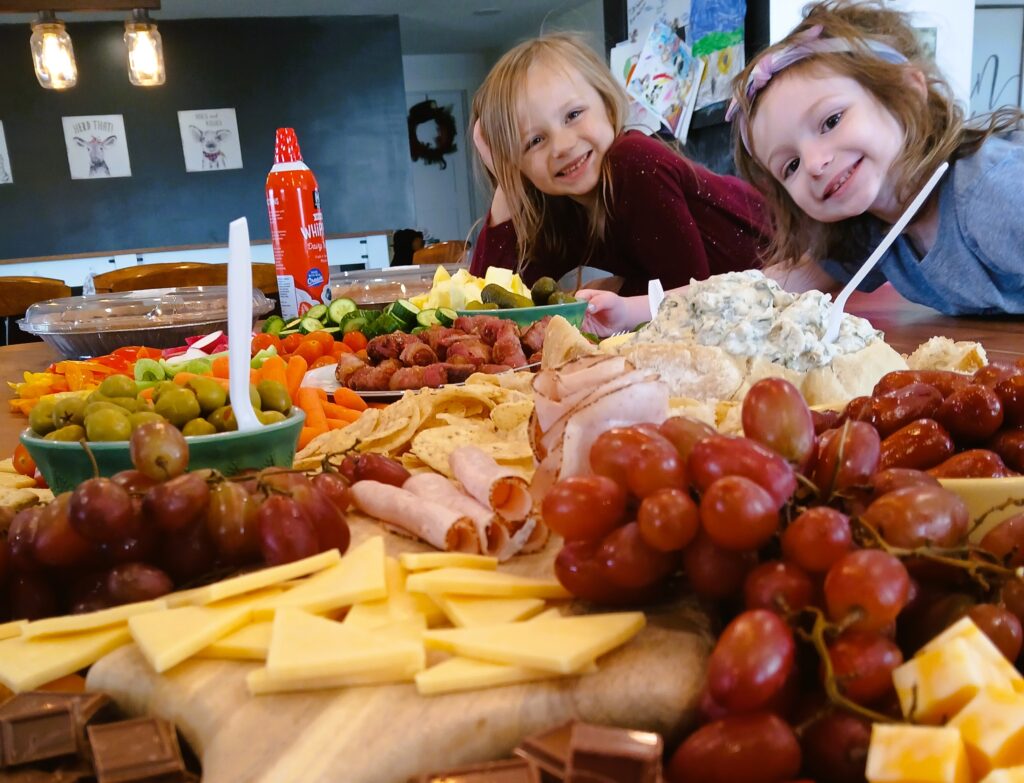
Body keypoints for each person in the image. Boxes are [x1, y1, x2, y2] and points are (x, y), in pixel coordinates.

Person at [727, 0, 1024, 316]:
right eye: (791, 165)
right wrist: (678, 302)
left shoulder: (993, 194)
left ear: (906, 93)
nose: (814, 163)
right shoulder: (873, 231)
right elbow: (777, 283)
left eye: (832, 121)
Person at [468, 33, 771, 334]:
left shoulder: (634, 163)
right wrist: (506, 181)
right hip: (734, 323)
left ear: (609, 106)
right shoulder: (562, 208)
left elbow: (686, 297)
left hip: (786, 291)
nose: (561, 146)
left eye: (573, 115)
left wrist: (622, 289)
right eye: (534, 141)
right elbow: (494, 309)